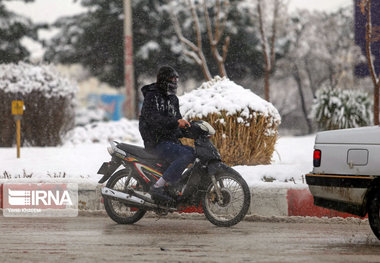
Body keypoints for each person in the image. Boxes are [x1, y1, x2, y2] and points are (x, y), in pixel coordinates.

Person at [139, 65, 195, 202]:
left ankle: (172, 185)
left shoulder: (173, 99)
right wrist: (176, 123)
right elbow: (154, 119)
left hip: (169, 141)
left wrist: (192, 131)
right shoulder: (152, 96)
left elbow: (177, 121)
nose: (175, 82)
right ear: (164, 80)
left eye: (176, 79)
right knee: (186, 154)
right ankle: (157, 187)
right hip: (155, 142)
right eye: (172, 79)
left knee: (193, 152)